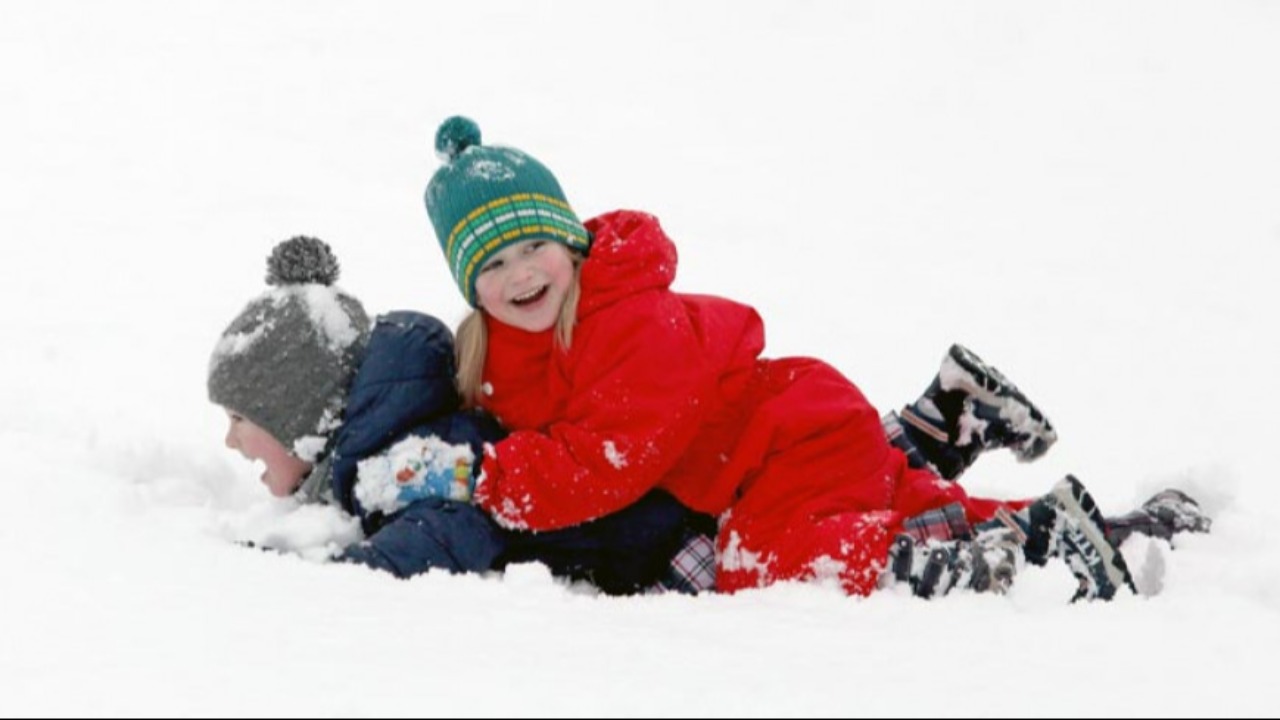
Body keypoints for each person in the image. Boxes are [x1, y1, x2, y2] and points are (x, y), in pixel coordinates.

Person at [422, 116, 1210, 602]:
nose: (520, 274)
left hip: (779, 448)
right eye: (493, 265)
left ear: (571, 242)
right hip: (778, 437)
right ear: (469, 284)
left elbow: (606, 463)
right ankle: (1080, 522)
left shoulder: (627, 321)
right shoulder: (507, 342)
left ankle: (952, 562)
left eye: (533, 247)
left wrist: (486, 478)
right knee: (900, 495)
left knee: (762, 562)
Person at [208, 235, 699, 594]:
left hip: (669, 554)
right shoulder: (382, 436)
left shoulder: (412, 455)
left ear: (298, 417)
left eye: (239, 419)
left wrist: (302, 578)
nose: (231, 441)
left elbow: (441, 536)